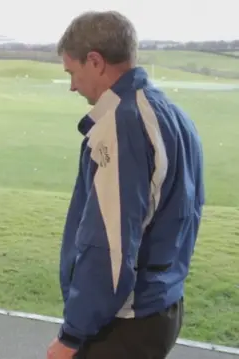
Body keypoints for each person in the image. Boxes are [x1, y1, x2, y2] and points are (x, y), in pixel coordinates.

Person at [47, 11, 205, 359]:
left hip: (124, 322)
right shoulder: (173, 114)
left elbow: (110, 245)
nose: (72, 85)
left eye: (72, 72)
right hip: (163, 307)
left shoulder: (122, 125)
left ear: (95, 61)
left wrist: (72, 336)